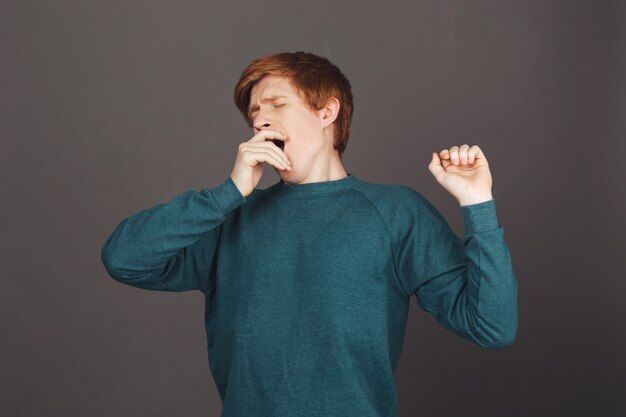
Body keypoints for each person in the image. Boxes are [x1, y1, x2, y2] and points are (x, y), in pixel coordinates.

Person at [100, 51, 518, 417]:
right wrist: (227, 194)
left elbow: (491, 326)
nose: (259, 119)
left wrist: (477, 203)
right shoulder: (231, 217)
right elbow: (124, 259)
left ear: (326, 112)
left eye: (276, 104)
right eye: (254, 114)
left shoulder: (395, 213)